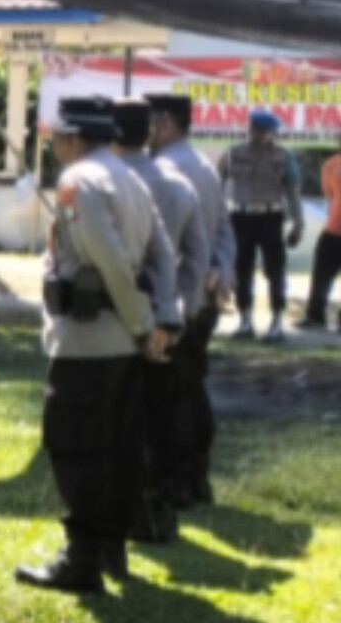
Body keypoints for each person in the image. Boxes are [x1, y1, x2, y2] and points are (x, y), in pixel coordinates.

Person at [16, 99, 168, 595]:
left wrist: (143, 322)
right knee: (118, 448)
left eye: (57, 138)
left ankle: (82, 560)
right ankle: (110, 550)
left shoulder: (78, 181)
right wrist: (156, 322)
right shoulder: (131, 178)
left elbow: (112, 263)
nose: (56, 147)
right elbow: (161, 255)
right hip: (120, 342)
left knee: (75, 444)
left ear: (72, 138)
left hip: (89, 338)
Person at [115, 96, 207, 546]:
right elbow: (199, 255)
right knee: (162, 417)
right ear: (150, 130)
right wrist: (179, 311)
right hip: (165, 322)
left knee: (116, 420)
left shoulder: (106, 182)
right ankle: (161, 510)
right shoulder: (178, 185)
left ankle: (124, 511)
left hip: (114, 321)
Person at [149, 91, 234, 509]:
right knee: (192, 388)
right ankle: (197, 478)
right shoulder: (205, 165)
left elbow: (161, 248)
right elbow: (224, 234)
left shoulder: (164, 172)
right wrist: (223, 276)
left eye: (149, 121)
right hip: (202, 299)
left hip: (177, 300)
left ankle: (180, 482)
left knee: (172, 396)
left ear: (164, 123)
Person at [220, 109, 302, 341]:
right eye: (262, 130)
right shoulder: (233, 154)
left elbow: (293, 192)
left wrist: (298, 223)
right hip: (241, 216)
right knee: (241, 270)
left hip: (271, 217)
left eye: (270, 131)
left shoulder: (284, 156)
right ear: (251, 128)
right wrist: (217, 219)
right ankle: (245, 321)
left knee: (275, 271)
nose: (266, 135)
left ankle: (277, 322)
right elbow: (217, 184)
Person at [303, 141, 341, 330]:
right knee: (321, 274)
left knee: (322, 274)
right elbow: (331, 196)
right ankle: (315, 315)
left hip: (334, 226)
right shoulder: (330, 165)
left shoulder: (331, 165)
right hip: (333, 228)